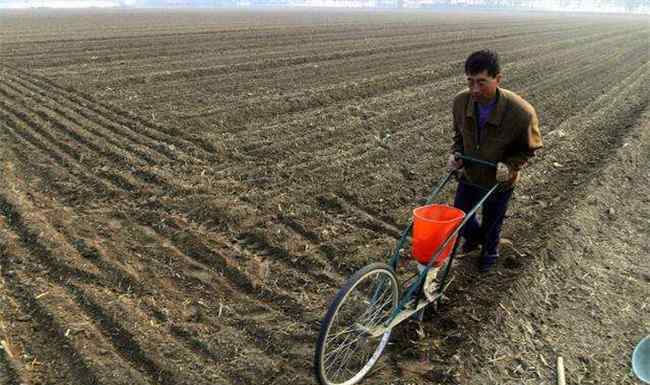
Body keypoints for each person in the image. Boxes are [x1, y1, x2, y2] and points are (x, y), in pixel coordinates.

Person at [447, 49, 543, 272]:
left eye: (482, 82)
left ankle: (490, 250)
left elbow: (529, 149)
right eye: (470, 81)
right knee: (460, 219)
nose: (474, 90)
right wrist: (456, 154)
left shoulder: (521, 113)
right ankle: (474, 239)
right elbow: (459, 136)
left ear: (498, 79)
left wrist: (510, 166)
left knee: (492, 222)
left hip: (498, 181)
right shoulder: (461, 102)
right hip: (470, 174)